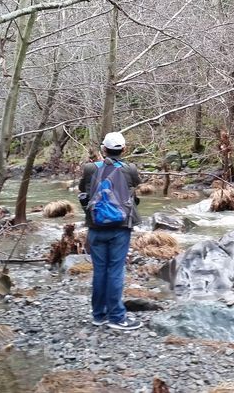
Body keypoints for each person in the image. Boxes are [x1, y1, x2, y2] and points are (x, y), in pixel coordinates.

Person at [78, 131, 142, 330]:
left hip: (96, 227)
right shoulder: (129, 169)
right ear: (124, 149)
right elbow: (136, 187)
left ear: (103, 149)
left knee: (100, 271)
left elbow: (83, 190)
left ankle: (99, 315)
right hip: (121, 228)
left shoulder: (89, 168)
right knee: (115, 271)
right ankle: (117, 317)